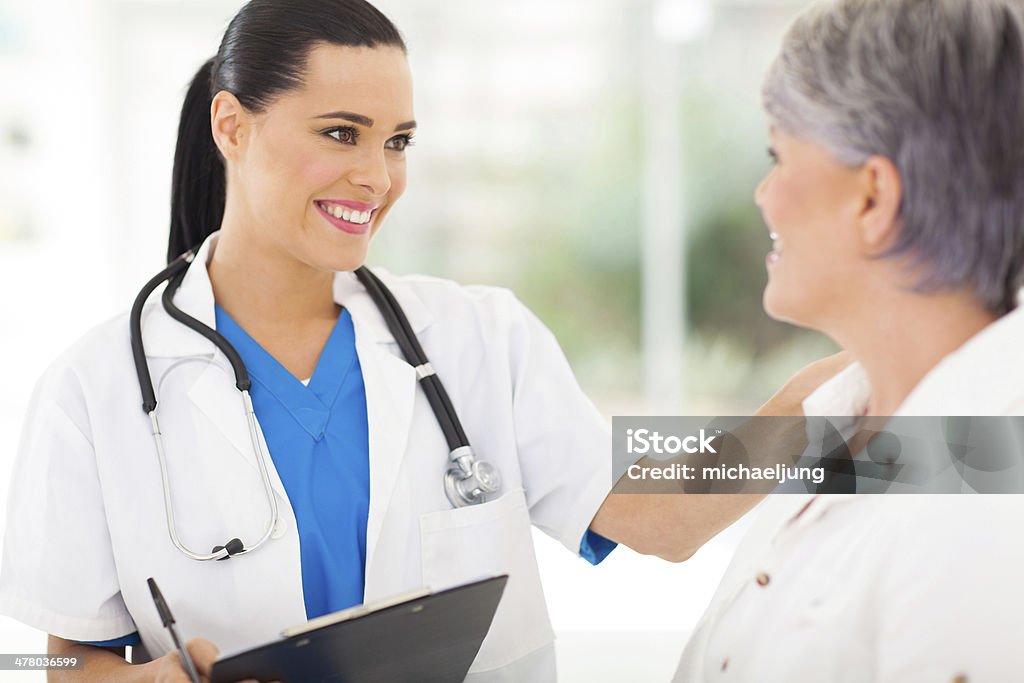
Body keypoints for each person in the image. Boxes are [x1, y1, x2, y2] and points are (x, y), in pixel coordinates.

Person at [0, 1, 844, 681]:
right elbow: (49, 655)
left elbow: (661, 517)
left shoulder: (481, 337)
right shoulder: (94, 388)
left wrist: (845, 397)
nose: (377, 177)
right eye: (341, 133)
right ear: (232, 126)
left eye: (397, 141)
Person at [674, 0, 1024, 680]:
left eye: (778, 155)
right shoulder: (850, 419)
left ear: (872, 198)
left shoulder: (982, 509)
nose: (763, 194)